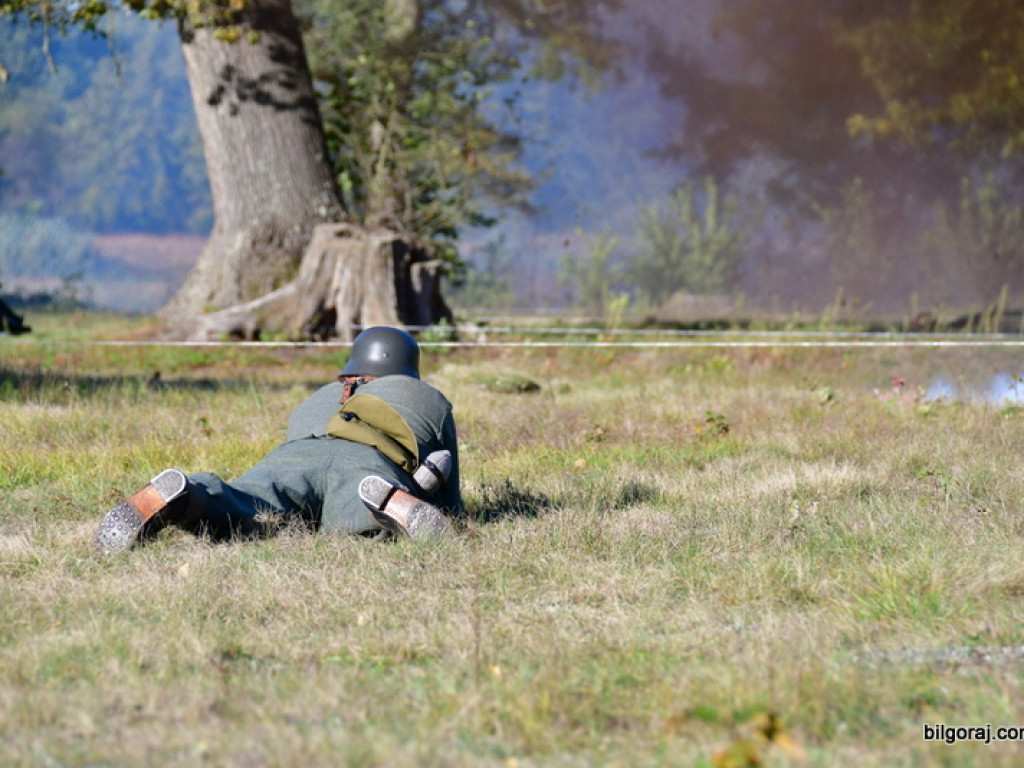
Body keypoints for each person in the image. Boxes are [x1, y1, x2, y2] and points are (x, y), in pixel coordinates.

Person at [93, 326, 462, 553]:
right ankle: (388, 503)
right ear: (409, 366)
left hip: (292, 456)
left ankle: (189, 494)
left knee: (254, 502)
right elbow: (452, 499)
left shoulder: (320, 395)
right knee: (355, 509)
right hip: (368, 464)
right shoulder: (426, 397)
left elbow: (305, 453)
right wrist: (436, 501)